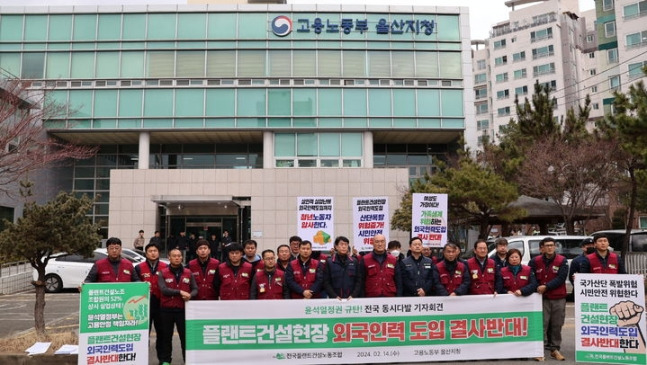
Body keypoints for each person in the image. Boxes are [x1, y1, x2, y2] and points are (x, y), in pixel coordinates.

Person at [529, 237, 568, 361]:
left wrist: (546, 286)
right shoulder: (535, 261)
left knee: (556, 324)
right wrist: (537, 287)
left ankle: (555, 349)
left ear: (555, 247)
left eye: (552, 245)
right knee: (542, 324)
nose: (550, 247)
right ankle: (539, 349)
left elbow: (561, 278)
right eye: (547, 245)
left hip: (558, 298)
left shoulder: (562, 260)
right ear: (542, 248)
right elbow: (531, 276)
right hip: (541, 298)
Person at [158, 248, 197, 365]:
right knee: (166, 337)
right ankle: (165, 361)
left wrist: (190, 295)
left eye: (179, 256)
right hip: (166, 310)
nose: (177, 258)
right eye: (174, 256)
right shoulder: (163, 272)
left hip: (183, 310)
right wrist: (180, 292)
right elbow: (164, 290)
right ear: (169, 258)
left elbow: (195, 289)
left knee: (185, 338)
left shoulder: (188, 272)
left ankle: (188, 360)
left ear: (182, 258)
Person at [134, 242, 168, 364]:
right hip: (143, 306)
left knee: (162, 334)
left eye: (155, 251)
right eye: (150, 251)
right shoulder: (139, 267)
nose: (153, 253)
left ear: (158, 253)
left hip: (161, 305)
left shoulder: (165, 267)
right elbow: (134, 285)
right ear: (146, 253)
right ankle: (141, 359)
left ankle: (163, 359)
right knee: (143, 334)